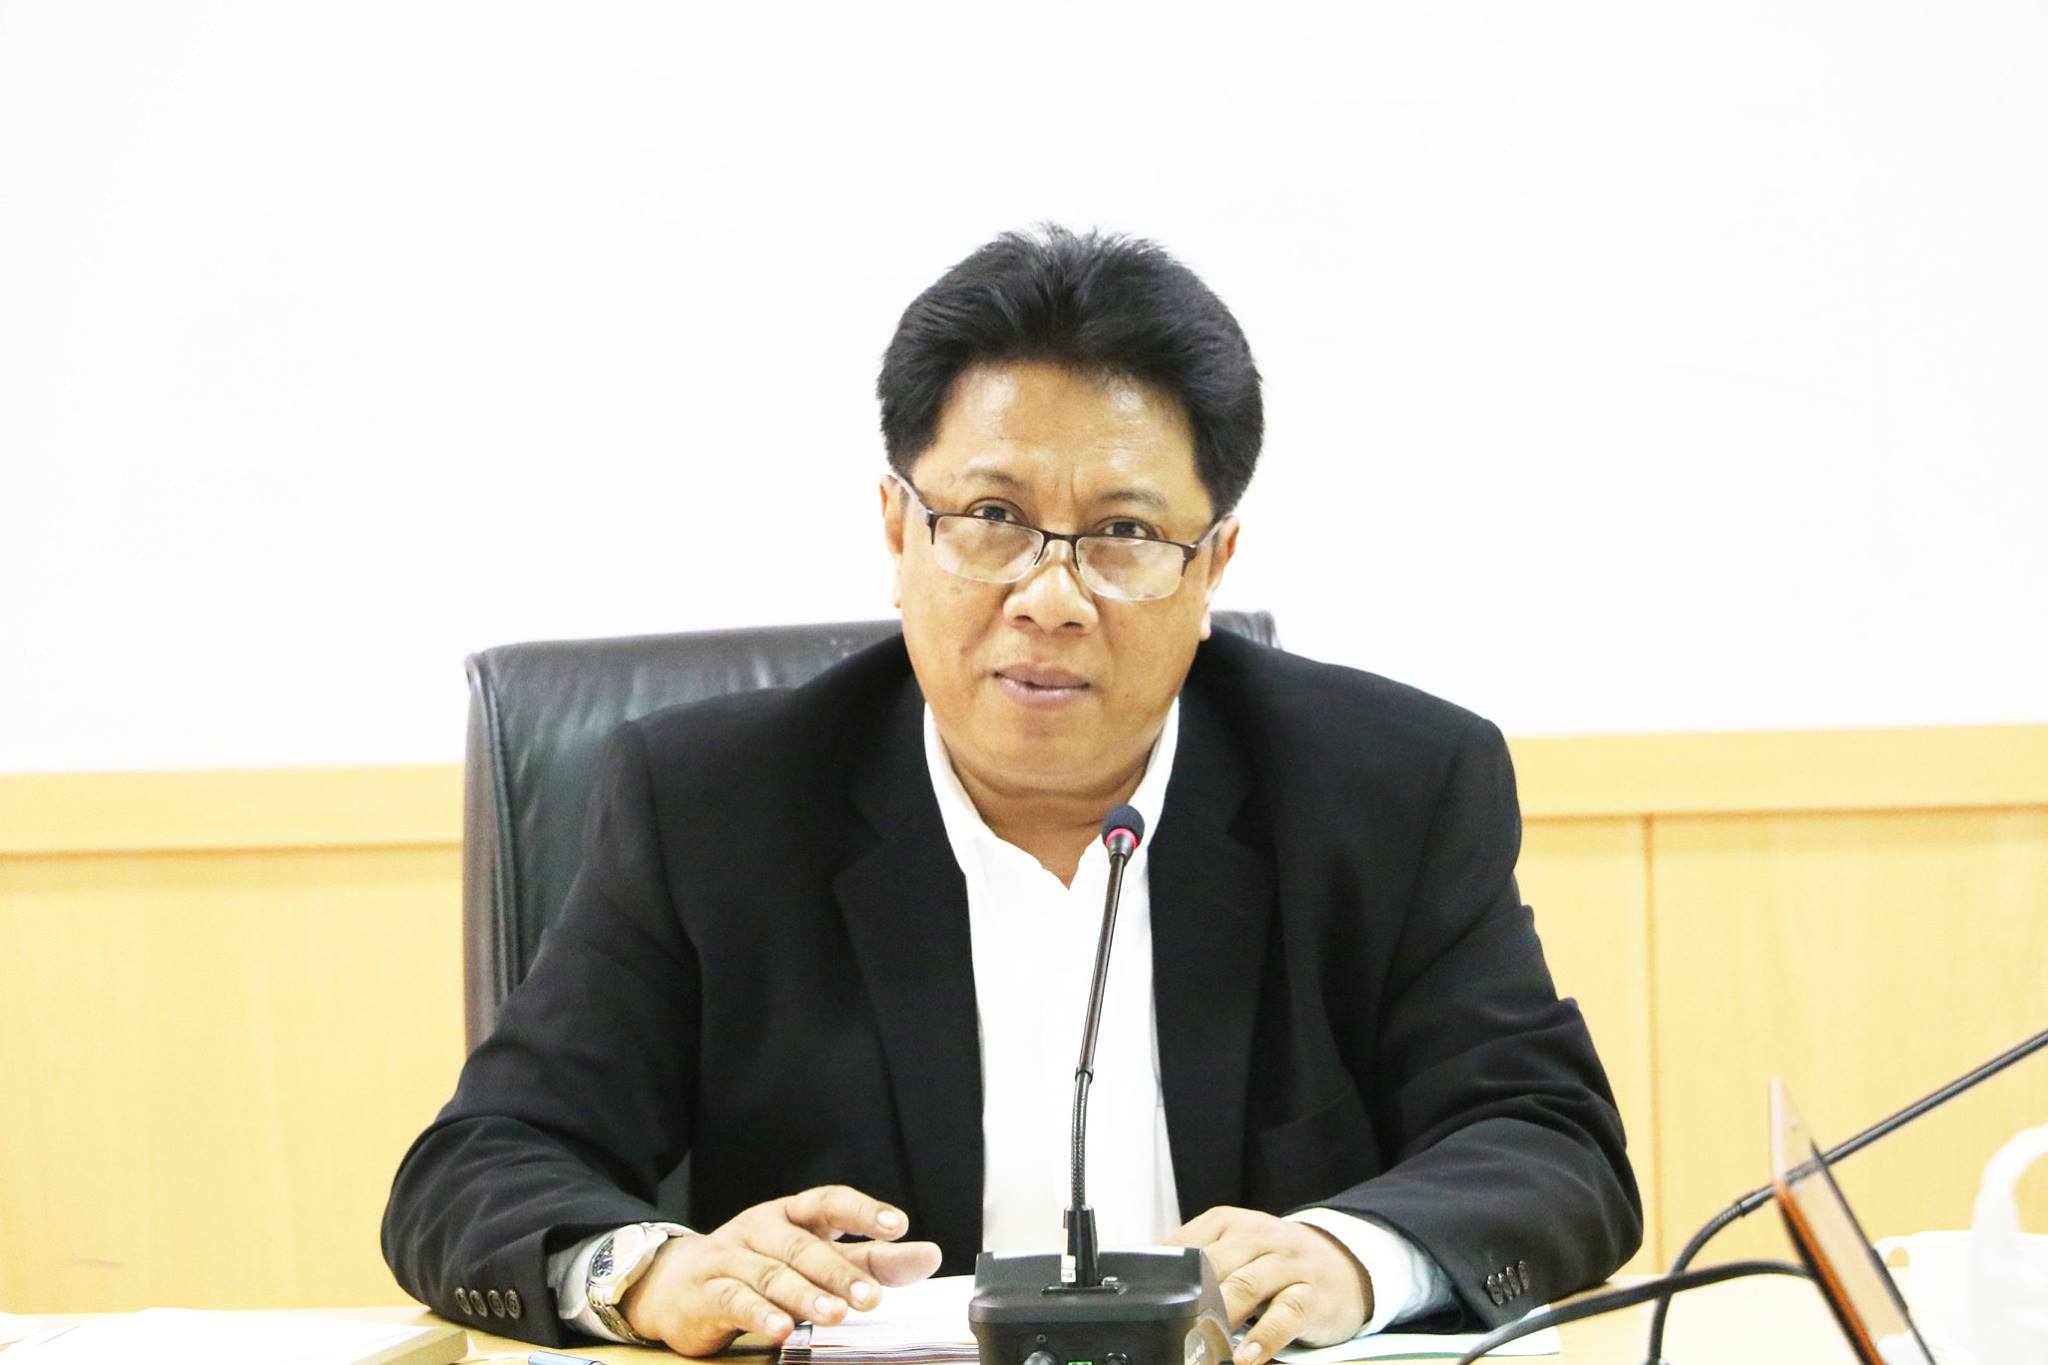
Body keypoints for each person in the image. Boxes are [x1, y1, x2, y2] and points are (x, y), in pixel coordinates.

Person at [381, 226, 1642, 1357]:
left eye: (1124, 535)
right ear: (898, 529)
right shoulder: (713, 806)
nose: (1048, 596)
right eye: (991, 515)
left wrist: (1349, 1258)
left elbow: (1548, 1145)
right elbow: (479, 1167)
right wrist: (654, 1274)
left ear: (1211, 565)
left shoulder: (1387, 789)